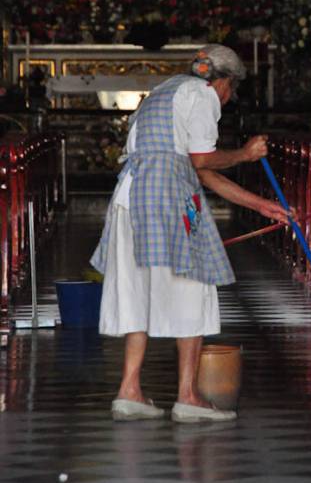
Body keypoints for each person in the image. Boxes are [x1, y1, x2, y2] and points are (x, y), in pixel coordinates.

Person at [90, 45, 289, 423]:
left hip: (130, 200)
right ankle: (188, 396)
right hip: (168, 198)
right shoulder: (202, 95)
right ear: (223, 81)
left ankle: (129, 390)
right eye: (231, 88)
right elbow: (202, 160)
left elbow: (198, 169)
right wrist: (245, 154)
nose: (229, 98)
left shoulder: (164, 91)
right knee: (195, 288)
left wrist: (259, 205)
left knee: (137, 290)